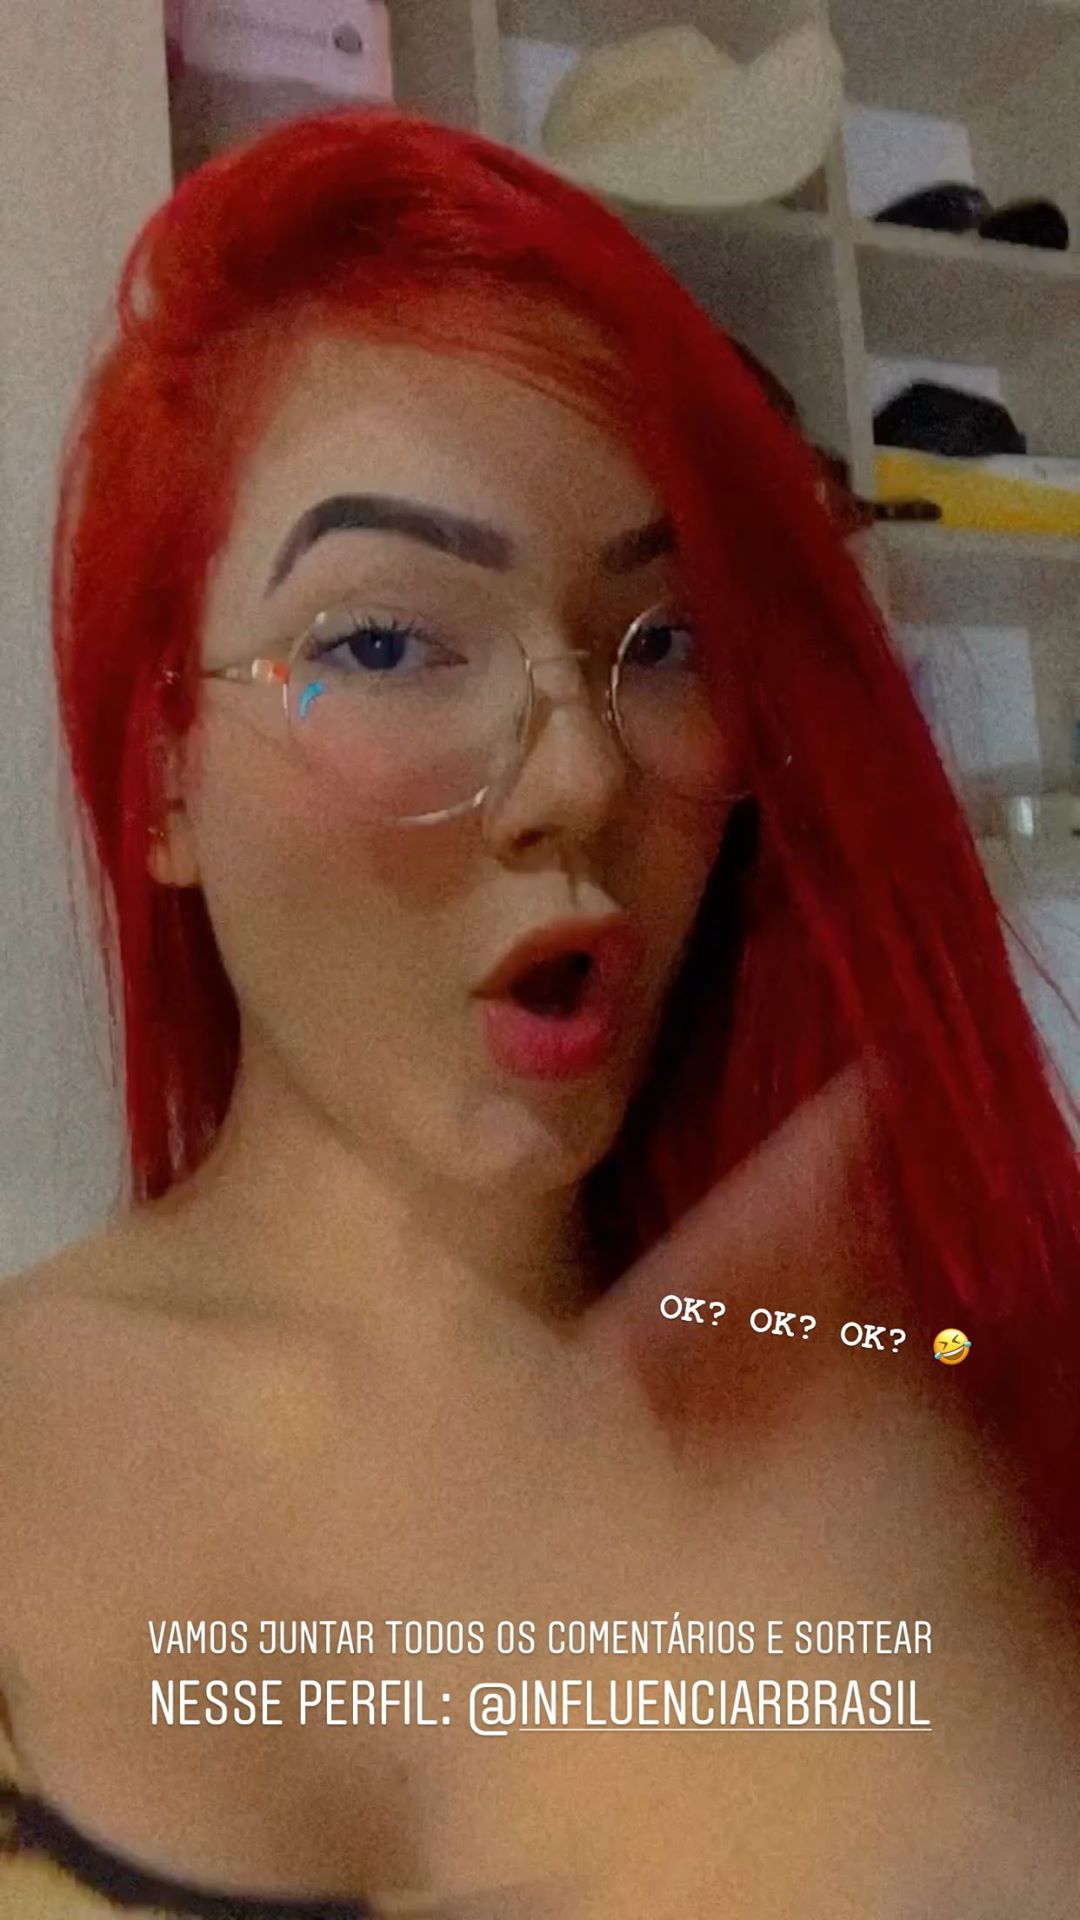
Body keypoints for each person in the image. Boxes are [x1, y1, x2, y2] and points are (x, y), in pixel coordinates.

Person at [1, 105, 1079, 1920]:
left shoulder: (876, 1404)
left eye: (670, 643)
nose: (581, 773)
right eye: (384, 641)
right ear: (164, 771)